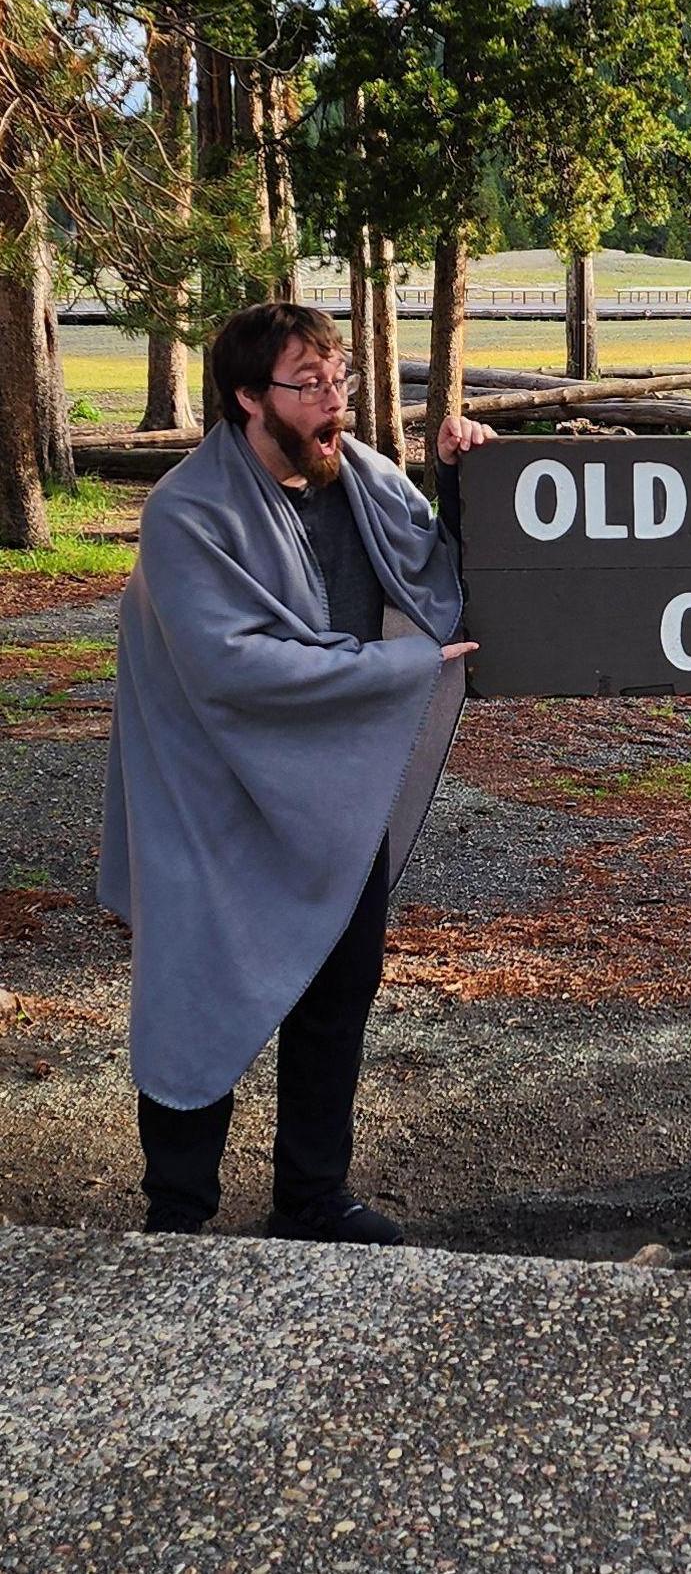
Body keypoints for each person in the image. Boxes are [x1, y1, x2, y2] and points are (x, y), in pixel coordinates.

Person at [99, 302, 495, 1244]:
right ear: (247, 397)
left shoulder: (364, 479)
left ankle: (312, 1199)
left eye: (340, 379)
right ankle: (179, 1215)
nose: (333, 401)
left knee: (336, 993)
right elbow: (234, 666)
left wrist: (457, 473)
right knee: (199, 994)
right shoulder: (189, 512)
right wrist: (399, 669)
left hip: (326, 797)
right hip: (212, 801)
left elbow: (433, 568)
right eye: (308, 383)